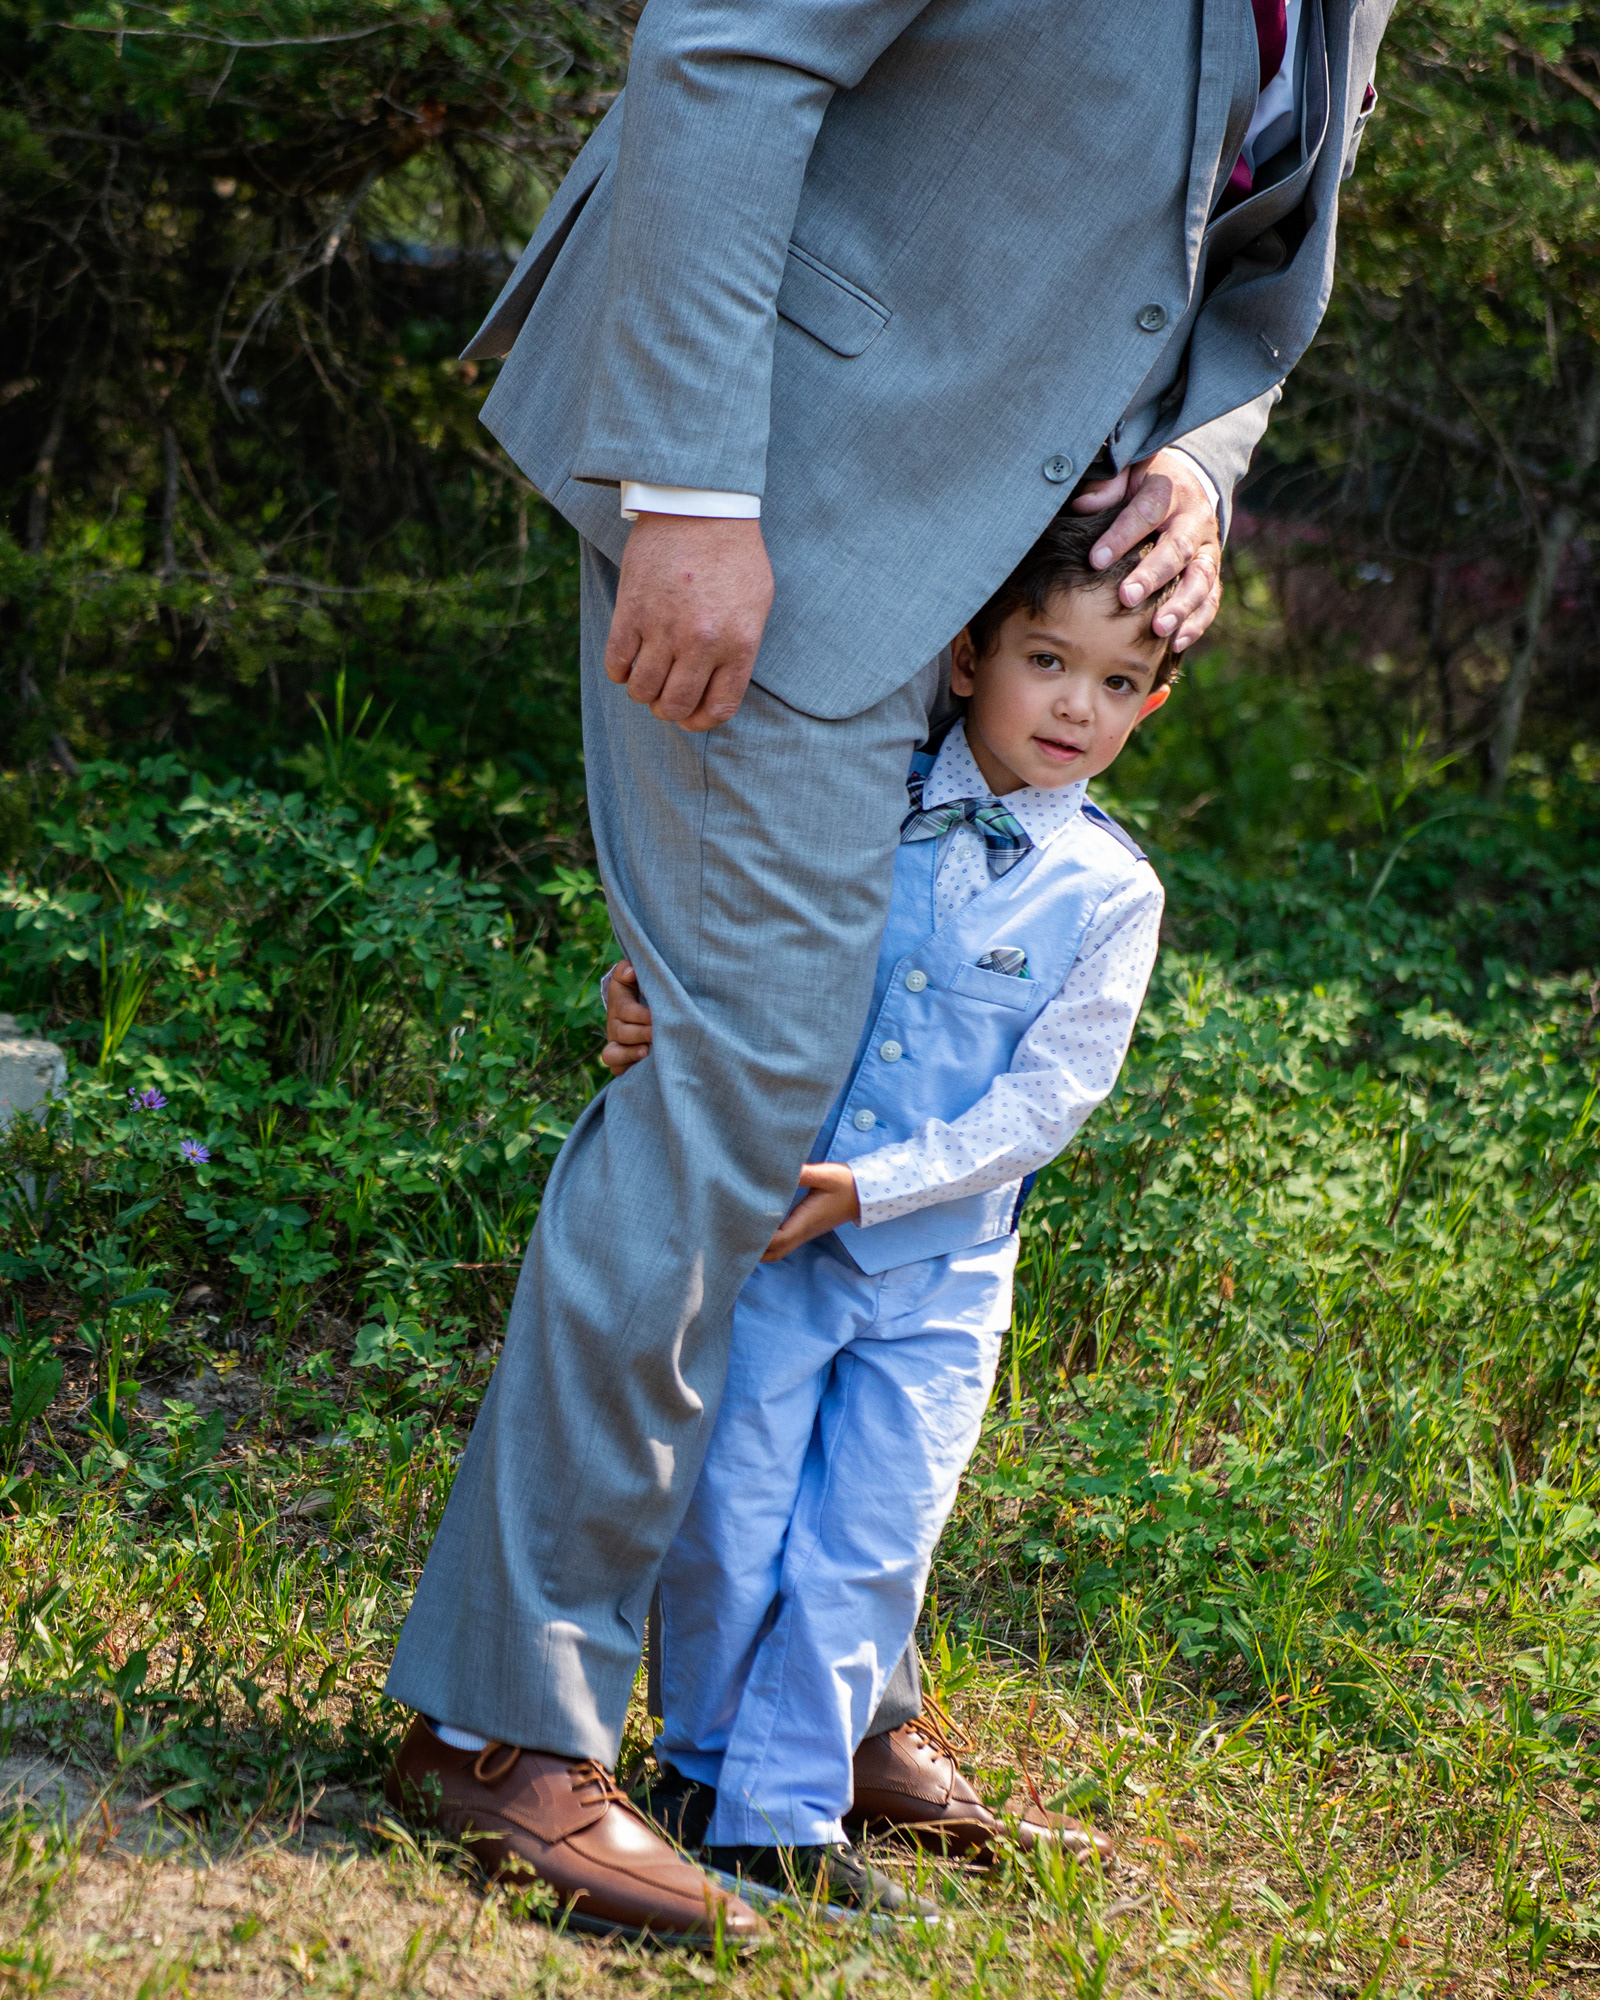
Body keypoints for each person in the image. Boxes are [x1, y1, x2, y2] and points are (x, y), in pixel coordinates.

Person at [384, 0, 1395, 1945]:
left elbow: (1238, 254)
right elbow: (726, 51)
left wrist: (1195, 459)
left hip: (998, 571)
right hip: (766, 474)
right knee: (737, 1078)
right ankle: (497, 1726)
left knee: (868, 1097)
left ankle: (810, 1709)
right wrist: (686, 479)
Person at [599, 506, 1172, 1914]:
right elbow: (735, 940)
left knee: (871, 1540)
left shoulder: (1113, 892)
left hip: (941, 1274)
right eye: (1049, 660)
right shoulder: (859, 810)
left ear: (1151, 706)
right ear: (971, 656)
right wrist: (647, 1006)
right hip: (779, 1243)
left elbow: (1051, 1099)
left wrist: (881, 1189)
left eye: (1113, 684)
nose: (1074, 707)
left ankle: (788, 1811)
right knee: (732, 1510)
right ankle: (705, 1766)